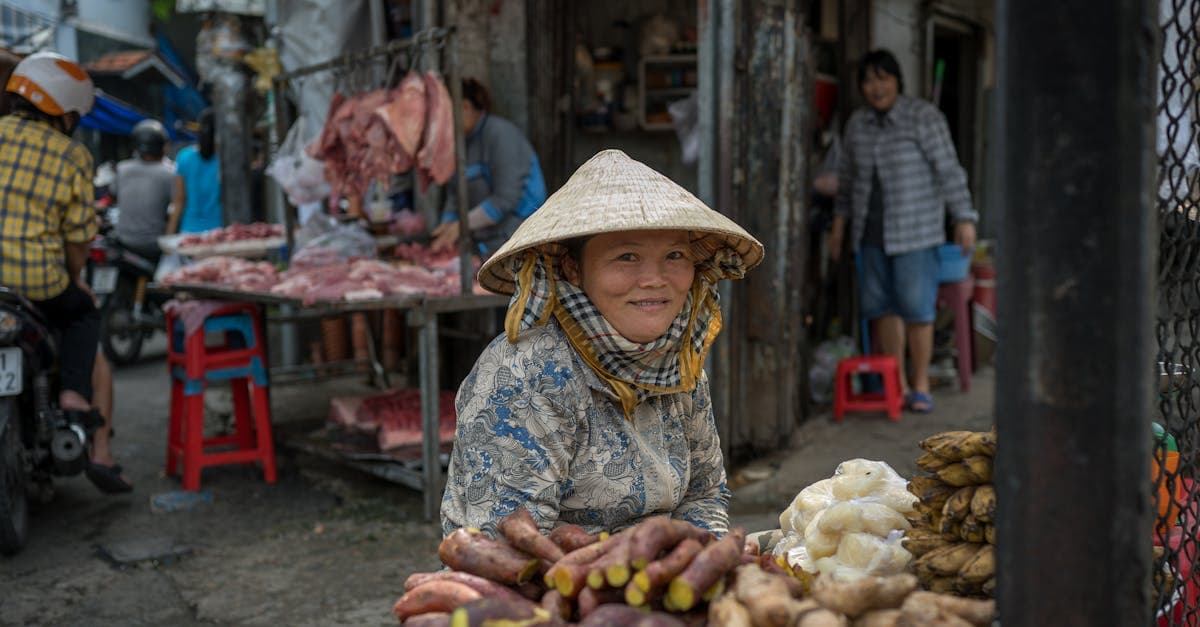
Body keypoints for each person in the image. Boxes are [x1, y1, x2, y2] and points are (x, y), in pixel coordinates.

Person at [440, 149, 764, 537]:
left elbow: (706, 493)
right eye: (627, 257)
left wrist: (694, 567)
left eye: (674, 255)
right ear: (573, 269)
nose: (654, 279)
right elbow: (511, 546)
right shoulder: (526, 373)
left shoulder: (679, 362)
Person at [0, 51, 130, 492]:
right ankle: (75, 397)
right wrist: (75, 278)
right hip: (38, 283)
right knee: (82, 314)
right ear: (66, 112)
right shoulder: (73, 157)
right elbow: (79, 239)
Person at [828, 49, 978, 414]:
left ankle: (922, 383)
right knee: (882, 309)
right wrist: (838, 228)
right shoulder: (858, 125)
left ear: (897, 80)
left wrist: (964, 217)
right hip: (870, 233)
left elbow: (949, 170)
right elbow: (846, 183)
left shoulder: (922, 117)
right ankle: (900, 384)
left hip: (916, 232)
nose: (876, 87)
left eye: (883, 78)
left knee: (917, 309)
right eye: (869, 81)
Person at [430, 79, 547, 256]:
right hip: (486, 244)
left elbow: (505, 199)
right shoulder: (461, 143)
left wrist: (461, 226)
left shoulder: (501, 135)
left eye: (445, 114)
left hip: (520, 240)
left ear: (465, 107)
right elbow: (455, 192)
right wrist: (448, 222)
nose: (442, 122)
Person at [112, 119, 174, 263]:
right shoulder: (170, 173)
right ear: (163, 146)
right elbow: (178, 206)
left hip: (123, 240)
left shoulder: (122, 168)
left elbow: (114, 195)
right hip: (153, 245)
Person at [168, 108, 221, 235]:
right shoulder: (226, 160)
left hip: (189, 234)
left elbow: (179, 200)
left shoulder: (184, 157)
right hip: (220, 233)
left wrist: (169, 234)